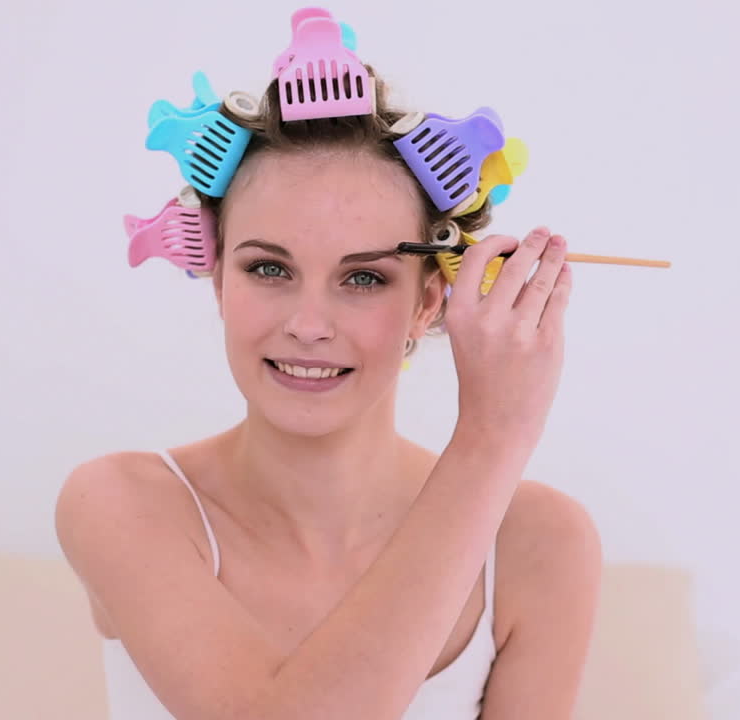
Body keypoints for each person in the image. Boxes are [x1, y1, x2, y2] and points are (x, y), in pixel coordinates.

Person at [56, 11, 602, 719]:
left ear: (428, 302)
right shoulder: (123, 503)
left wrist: (496, 444)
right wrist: (492, 436)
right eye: (269, 268)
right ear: (219, 277)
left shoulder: (538, 543)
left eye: (364, 278)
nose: (308, 325)